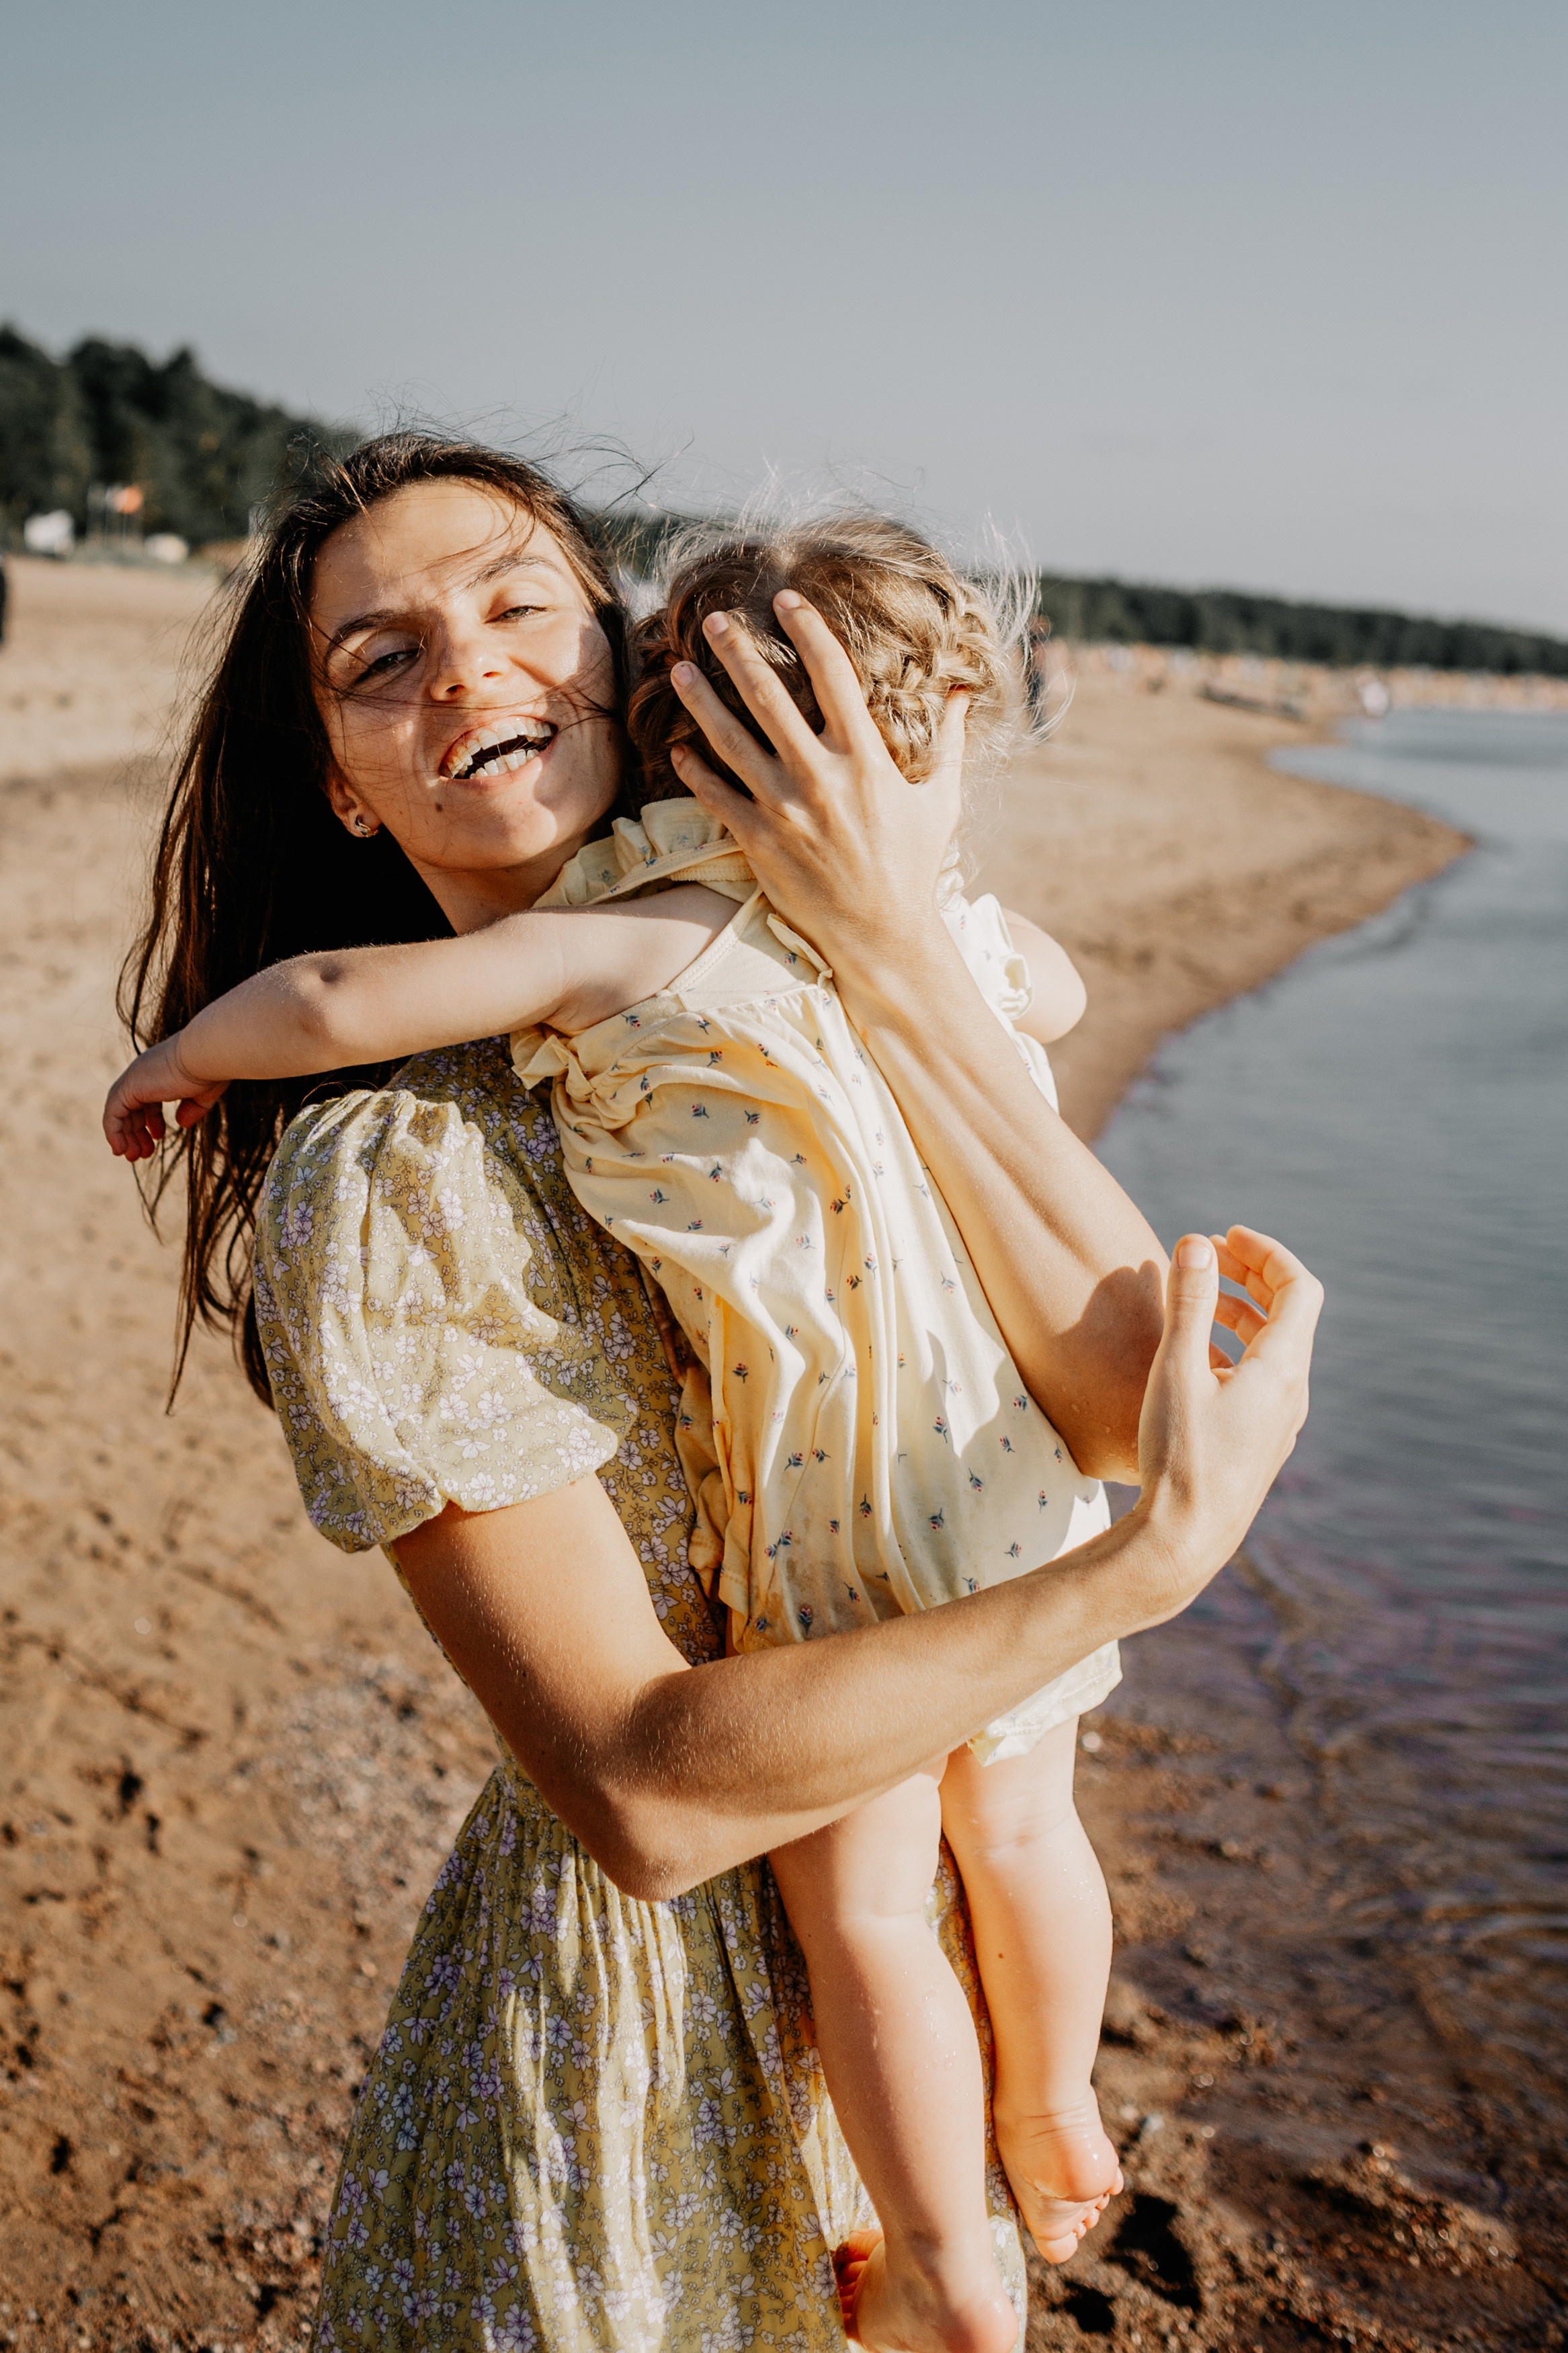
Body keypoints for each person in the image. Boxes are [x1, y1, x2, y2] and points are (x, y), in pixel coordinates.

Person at [117, 432, 1321, 2353]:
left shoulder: (815, 1000)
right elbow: (644, 1798)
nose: (468, 671)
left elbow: (1105, 1386)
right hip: (642, 2046)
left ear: (631, 667)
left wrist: (898, 931)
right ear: (342, 787)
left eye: (520, 606)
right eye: (380, 661)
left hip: (867, 2034)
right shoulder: (402, 1172)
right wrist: (1136, 1579)